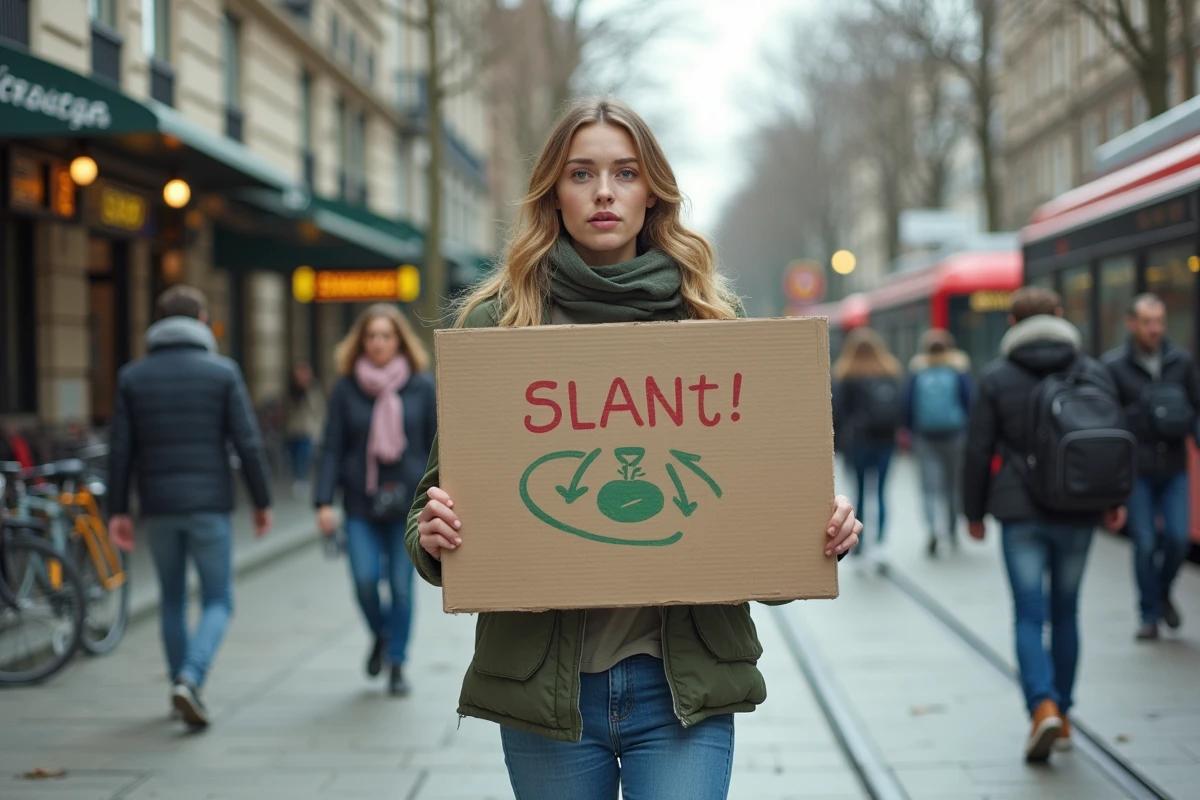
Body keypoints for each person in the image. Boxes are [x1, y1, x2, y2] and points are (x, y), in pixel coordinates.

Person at [404, 97, 862, 800]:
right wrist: (433, 534)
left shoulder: (712, 320)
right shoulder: (499, 325)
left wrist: (816, 529)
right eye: (582, 174)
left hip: (680, 686)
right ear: (554, 192)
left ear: (653, 192)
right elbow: (434, 504)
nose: (605, 192)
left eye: (624, 172)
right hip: (545, 695)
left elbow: (758, 511)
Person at [963, 286, 1127, 763]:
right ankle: (1066, 714)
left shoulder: (996, 377)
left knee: (1029, 614)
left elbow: (978, 450)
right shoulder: (1091, 369)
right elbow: (1114, 437)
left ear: (1012, 324)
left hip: (1020, 515)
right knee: (1067, 611)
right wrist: (1116, 500)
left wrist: (972, 513)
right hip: (1078, 509)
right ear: (1059, 316)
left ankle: (1043, 707)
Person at [107, 285, 273, 730]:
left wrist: (117, 510)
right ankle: (191, 677)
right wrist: (262, 500)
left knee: (172, 599)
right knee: (218, 598)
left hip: (158, 506)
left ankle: (181, 686)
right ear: (201, 321)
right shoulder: (222, 372)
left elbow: (119, 449)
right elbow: (248, 442)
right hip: (209, 505)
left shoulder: (132, 376)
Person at [314, 304, 437, 697]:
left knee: (401, 587)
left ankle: (397, 661)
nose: (379, 343)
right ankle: (381, 634)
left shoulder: (421, 385)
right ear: (361, 342)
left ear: (399, 340)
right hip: (360, 503)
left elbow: (439, 444)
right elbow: (332, 447)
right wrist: (323, 502)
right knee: (365, 580)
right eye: (371, 336)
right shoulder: (346, 388)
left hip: (409, 504)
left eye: (386, 335)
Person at [1102, 293, 1200, 641]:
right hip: (1137, 470)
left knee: (1176, 539)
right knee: (1143, 543)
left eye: (1160, 322)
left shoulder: (1181, 362)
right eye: (1147, 322)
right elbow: (1108, 419)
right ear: (1131, 324)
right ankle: (1148, 614)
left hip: (1174, 466)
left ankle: (1162, 593)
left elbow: (1196, 405)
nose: (1155, 329)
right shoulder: (1113, 367)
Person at [832, 327, 903, 570]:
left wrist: (839, 444)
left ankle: (859, 544)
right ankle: (881, 544)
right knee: (881, 493)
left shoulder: (846, 374)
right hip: (885, 441)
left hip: (858, 443)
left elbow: (838, 413)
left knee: (859, 493)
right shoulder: (889, 372)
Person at [905, 329, 972, 556]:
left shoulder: (918, 372)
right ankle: (952, 531)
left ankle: (932, 529)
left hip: (925, 437)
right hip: (955, 436)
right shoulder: (958, 370)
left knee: (929, 488)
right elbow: (969, 402)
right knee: (953, 487)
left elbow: (908, 406)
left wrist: (909, 432)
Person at [285, 361, 326, 497]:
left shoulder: (313, 389)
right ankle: (297, 477)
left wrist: (319, 429)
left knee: (303, 456)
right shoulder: (291, 390)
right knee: (293, 457)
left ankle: (301, 479)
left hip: (307, 429)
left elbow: (319, 409)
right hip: (292, 430)